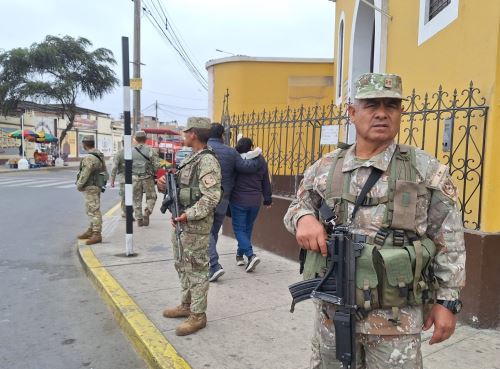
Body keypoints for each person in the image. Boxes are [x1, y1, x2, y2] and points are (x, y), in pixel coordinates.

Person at [283, 73, 466, 369]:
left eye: (391, 105)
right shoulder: (325, 168)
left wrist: (448, 302)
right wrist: (303, 218)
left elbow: (450, 240)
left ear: (400, 112)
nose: (382, 113)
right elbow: (297, 206)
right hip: (333, 313)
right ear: (352, 113)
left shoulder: (425, 170)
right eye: (371, 105)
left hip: (397, 319)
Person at [158, 117, 222, 336]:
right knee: (182, 265)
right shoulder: (192, 159)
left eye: (186, 132)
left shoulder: (207, 161)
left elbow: (211, 198)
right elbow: (182, 190)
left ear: (193, 133)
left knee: (197, 269)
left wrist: (188, 215)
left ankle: (198, 315)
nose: (184, 136)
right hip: (183, 223)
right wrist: (164, 186)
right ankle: (186, 305)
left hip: (195, 226)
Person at [205, 123, 261, 282]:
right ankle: (212, 263)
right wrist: (257, 157)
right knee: (213, 230)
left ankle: (213, 265)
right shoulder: (230, 152)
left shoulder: (202, 150)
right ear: (222, 135)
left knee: (206, 231)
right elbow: (246, 167)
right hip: (224, 197)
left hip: (204, 197)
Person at [229, 137, 272, 272]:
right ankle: (239, 255)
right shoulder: (260, 159)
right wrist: (268, 198)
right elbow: (266, 180)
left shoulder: (236, 161)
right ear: (251, 146)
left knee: (239, 229)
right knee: (247, 228)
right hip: (255, 201)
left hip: (238, 200)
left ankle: (250, 255)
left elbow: (230, 179)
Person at [76, 135, 108, 245]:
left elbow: (85, 173)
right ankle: (91, 230)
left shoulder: (89, 157)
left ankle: (96, 234)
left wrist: (79, 185)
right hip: (97, 185)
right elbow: (104, 170)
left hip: (90, 186)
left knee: (93, 210)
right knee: (91, 209)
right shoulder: (99, 154)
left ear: (84, 144)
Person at [132, 131, 160, 227]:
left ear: (136, 139)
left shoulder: (131, 151)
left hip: (135, 178)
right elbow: (157, 165)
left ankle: (139, 219)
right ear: (146, 139)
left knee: (136, 199)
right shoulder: (150, 150)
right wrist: (153, 172)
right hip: (147, 177)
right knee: (152, 196)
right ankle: (148, 211)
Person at [110, 141, 126, 218]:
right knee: (134, 195)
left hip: (123, 178)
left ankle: (125, 212)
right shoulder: (134, 152)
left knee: (124, 195)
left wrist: (112, 180)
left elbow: (114, 167)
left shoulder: (119, 154)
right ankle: (133, 211)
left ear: (122, 143)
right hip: (134, 177)